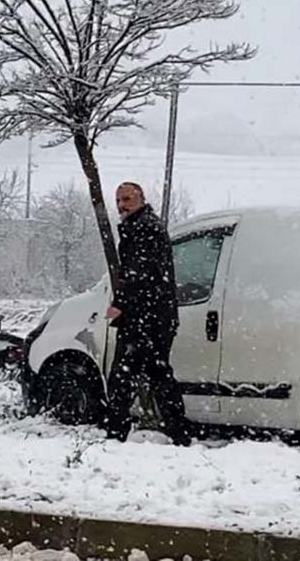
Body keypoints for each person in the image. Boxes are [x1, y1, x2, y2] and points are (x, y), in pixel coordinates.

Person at [101, 182, 191, 446]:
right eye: (118, 200)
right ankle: (178, 432)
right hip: (153, 316)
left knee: (124, 375)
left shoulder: (144, 229)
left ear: (141, 198)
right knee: (156, 374)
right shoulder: (143, 226)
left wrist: (119, 303)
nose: (121, 205)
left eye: (127, 199)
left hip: (146, 317)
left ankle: (116, 433)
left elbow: (138, 274)